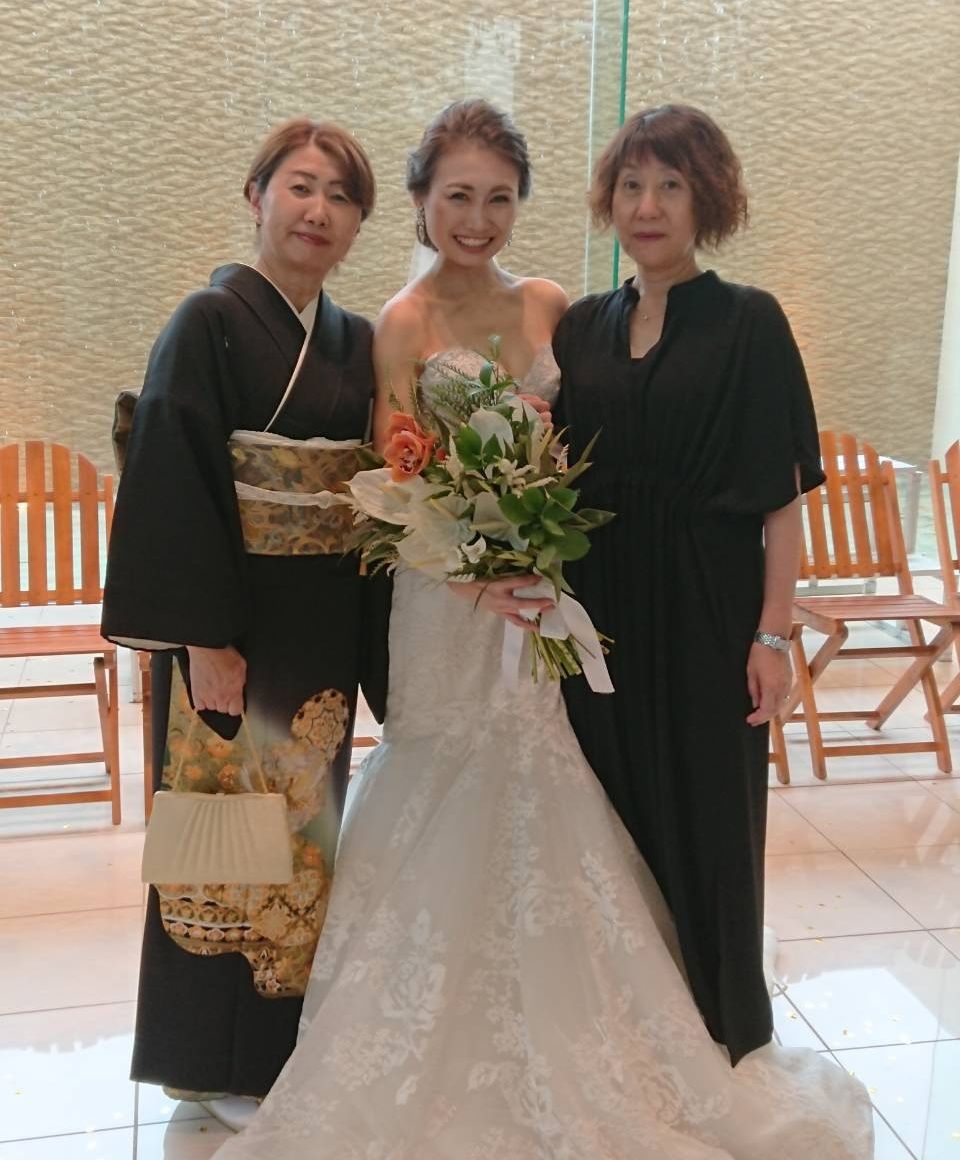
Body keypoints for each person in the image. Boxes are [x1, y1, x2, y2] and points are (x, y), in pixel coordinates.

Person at [212, 100, 872, 1158]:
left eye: (499, 198)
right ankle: (370, 1030)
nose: (477, 218)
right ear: (421, 201)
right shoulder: (397, 321)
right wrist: (475, 575)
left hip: (550, 595)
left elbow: (602, 451)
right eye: (457, 196)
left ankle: (613, 1014)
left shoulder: (557, 307)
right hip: (439, 604)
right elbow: (393, 480)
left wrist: (758, 626)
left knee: (547, 780)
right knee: (429, 781)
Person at [101, 118, 389, 1120]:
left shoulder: (357, 341)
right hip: (228, 619)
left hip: (321, 621)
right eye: (300, 186)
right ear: (257, 196)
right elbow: (171, 475)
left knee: (301, 835)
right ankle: (202, 1056)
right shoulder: (207, 321)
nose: (319, 211)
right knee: (220, 835)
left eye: (341, 196)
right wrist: (201, 636)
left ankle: (271, 1052)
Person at [554, 103, 822, 1066]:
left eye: (670, 185)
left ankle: (719, 1026)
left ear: (707, 199)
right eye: (631, 185)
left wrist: (773, 637)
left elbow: (781, 503)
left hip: (710, 608)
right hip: (598, 610)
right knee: (613, 811)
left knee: (711, 818)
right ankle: (631, 1028)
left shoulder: (750, 322)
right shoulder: (583, 326)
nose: (648, 206)